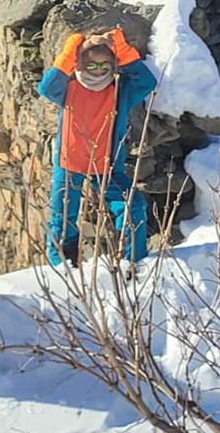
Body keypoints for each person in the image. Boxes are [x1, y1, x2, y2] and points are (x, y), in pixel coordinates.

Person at [35, 28, 157, 267]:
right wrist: (72, 48)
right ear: (80, 63)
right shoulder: (69, 89)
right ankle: (62, 270)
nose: (99, 71)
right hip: (69, 164)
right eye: (91, 65)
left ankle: (132, 262)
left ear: (114, 65)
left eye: (105, 66)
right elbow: (47, 87)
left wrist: (120, 48)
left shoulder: (119, 91)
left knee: (132, 207)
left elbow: (147, 82)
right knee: (63, 221)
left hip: (107, 167)